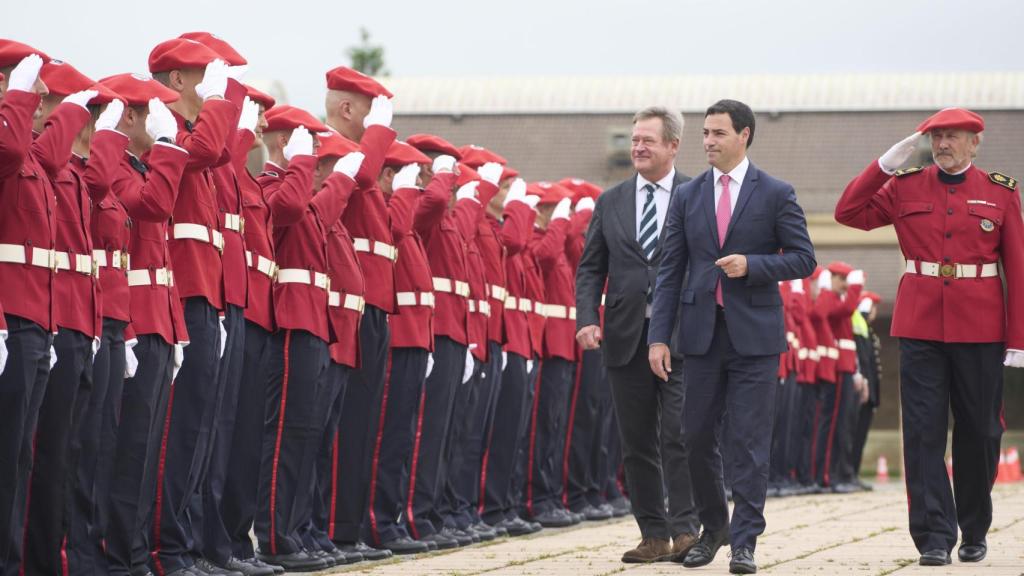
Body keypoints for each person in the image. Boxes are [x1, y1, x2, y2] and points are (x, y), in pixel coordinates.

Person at [835, 107, 1024, 566]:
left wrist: (1016, 339)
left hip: (980, 327)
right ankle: (933, 534)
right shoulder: (904, 186)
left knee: (981, 430)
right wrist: (881, 167)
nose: (943, 145)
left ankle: (974, 527)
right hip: (920, 325)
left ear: (974, 143)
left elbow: (1017, 270)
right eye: (937, 137)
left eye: (953, 137)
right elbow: (848, 212)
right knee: (922, 433)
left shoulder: (999, 193)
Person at [648, 99, 815, 574]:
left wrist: (753, 265)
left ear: (744, 135)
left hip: (755, 339)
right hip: (700, 337)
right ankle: (714, 528)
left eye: (718, 133)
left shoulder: (776, 193)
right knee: (694, 436)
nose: (708, 142)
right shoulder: (688, 195)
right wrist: (658, 337)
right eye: (705, 133)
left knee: (748, 443)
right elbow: (669, 270)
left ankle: (744, 542)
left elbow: (804, 258)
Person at [575, 106, 699, 563]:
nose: (638, 148)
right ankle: (654, 533)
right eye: (634, 140)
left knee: (679, 433)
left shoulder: (696, 194)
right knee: (637, 441)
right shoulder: (610, 202)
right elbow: (590, 268)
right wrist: (587, 316)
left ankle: (687, 529)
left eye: (648, 140)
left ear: (672, 145)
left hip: (683, 336)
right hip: (625, 336)